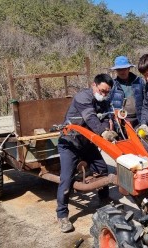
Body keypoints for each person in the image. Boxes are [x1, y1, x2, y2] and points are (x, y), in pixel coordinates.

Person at [56, 74, 118, 233]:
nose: (104, 95)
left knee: (103, 170)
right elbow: (90, 118)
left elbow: (105, 118)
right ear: (94, 85)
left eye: (107, 92)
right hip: (70, 142)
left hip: (87, 142)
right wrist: (102, 132)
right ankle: (62, 215)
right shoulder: (82, 97)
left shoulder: (104, 101)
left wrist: (108, 130)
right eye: (102, 91)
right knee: (66, 179)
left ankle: (104, 200)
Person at [109, 56, 146, 127]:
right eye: (119, 69)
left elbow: (147, 101)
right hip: (121, 120)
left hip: (138, 119)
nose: (122, 72)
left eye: (124, 69)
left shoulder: (139, 82)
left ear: (129, 68)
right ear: (116, 70)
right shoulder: (112, 84)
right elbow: (108, 105)